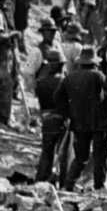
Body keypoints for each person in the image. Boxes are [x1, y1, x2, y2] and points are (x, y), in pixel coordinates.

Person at [61, 48, 107, 190]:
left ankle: (68, 183)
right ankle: (99, 185)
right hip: (98, 122)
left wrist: (69, 113)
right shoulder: (98, 76)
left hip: (79, 123)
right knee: (100, 156)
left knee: (81, 157)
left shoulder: (69, 77)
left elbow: (58, 98)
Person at [32, 48, 71, 183]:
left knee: (47, 151)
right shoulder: (63, 81)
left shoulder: (41, 81)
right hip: (61, 120)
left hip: (46, 120)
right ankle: (64, 180)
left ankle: (42, 179)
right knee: (64, 153)